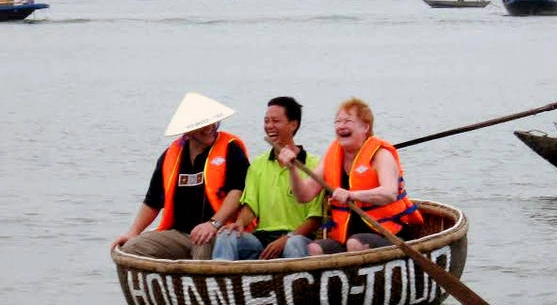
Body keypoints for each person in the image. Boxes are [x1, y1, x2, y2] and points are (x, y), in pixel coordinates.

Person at [110, 92, 250, 260]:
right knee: (132, 248)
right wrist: (133, 233)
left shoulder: (231, 148)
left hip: (219, 231)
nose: (210, 127)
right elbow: (152, 202)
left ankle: (201, 285)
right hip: (179, 233)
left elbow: (238, 191)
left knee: (202, 241)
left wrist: (213, 224)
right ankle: (169, 284)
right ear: (188, 131)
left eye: (213, 122)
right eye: (203, 124)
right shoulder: (170, 155)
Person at [277, 98, 423, 255]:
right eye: (337, 121)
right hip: (345, 238)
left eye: (347, 121)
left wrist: (352, 195)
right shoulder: (332, 156)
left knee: (355, 243)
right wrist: (292, 168)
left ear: (365, 127)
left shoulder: (381, 155)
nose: (341, 126)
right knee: (314, 248)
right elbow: (303, 196)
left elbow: (390, 193)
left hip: (388, 235)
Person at [212, 96, 324, 260]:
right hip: (262, 238)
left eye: (275, 121)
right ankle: (221, 283)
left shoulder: (314, 165)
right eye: (266, 121)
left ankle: (299, 284)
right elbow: (250, 207)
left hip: (298, 238)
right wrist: (240, 223)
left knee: (293, 244)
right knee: (226, 235)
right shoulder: (258, 164)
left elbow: (315, 219)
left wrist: (286, 239)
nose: (269, 126)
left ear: (293, 124)